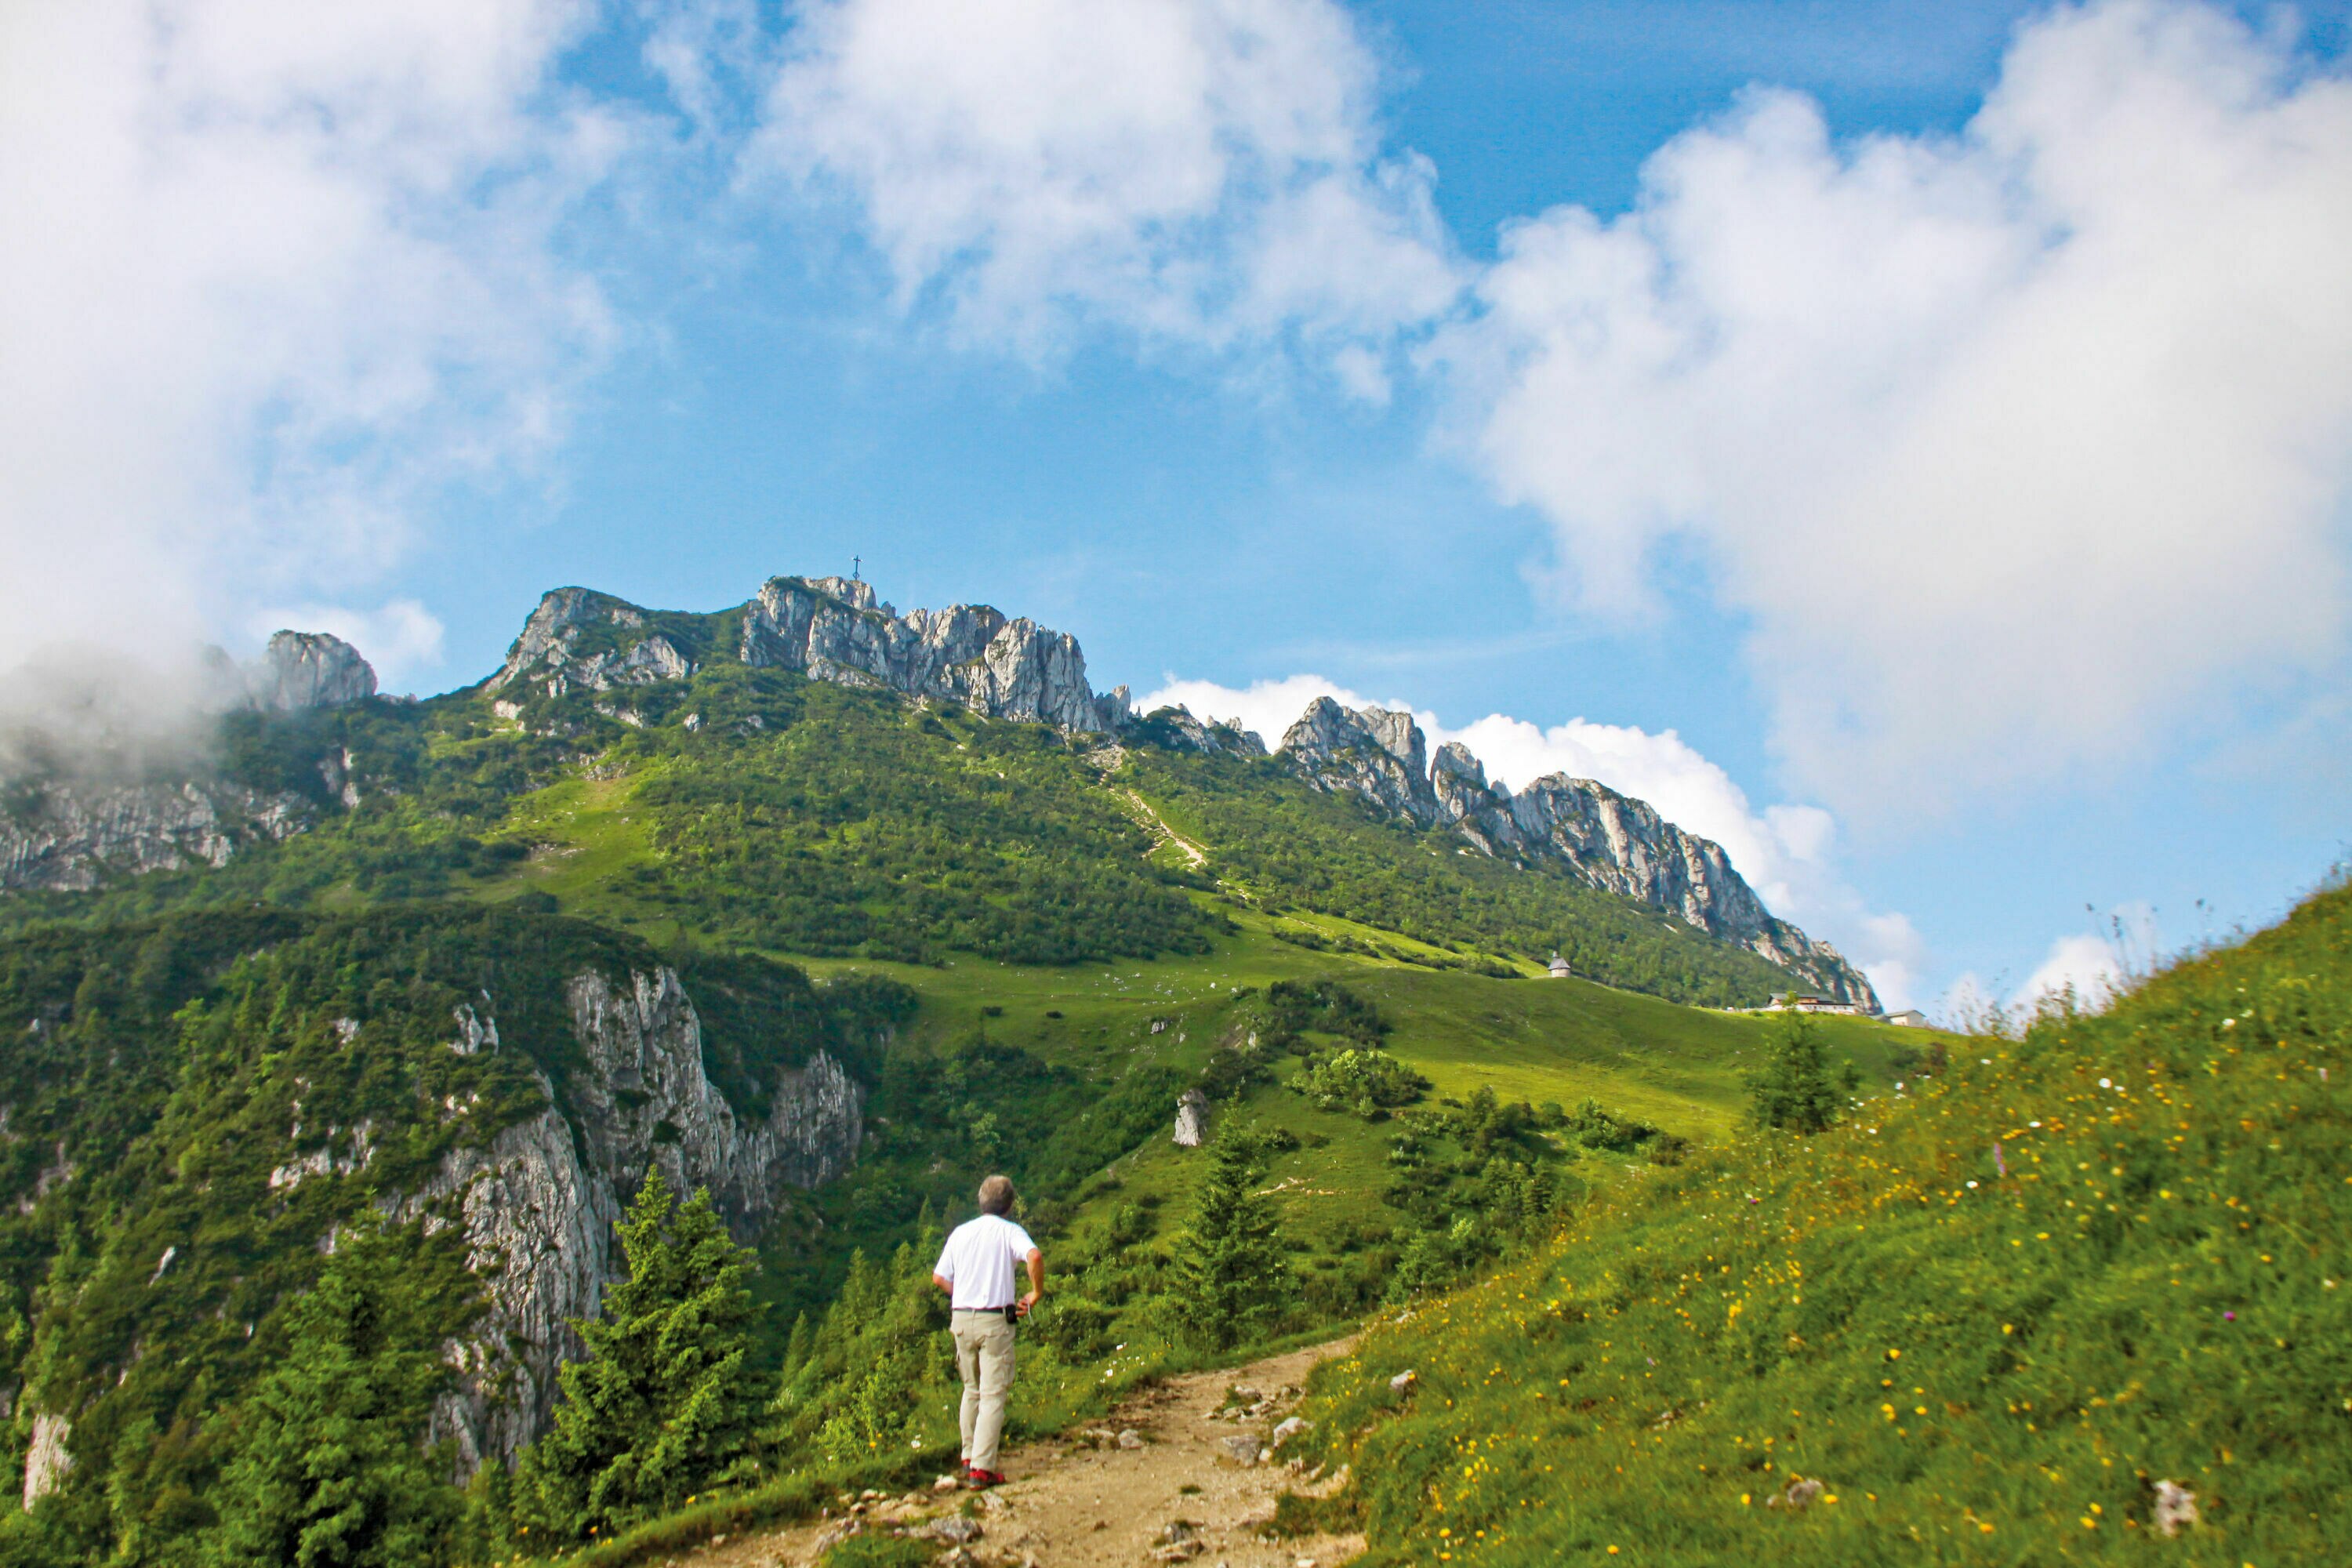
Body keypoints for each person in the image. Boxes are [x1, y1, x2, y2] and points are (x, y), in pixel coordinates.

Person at [931, 1174, 1044, 1486]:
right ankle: (982, 1468)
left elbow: (938, 1278)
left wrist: (964, 1293)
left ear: (981, 1201)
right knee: (994, 1395)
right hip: (995, 1322)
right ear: (1009, 1205)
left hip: (962, 1319)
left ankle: (968, 1458)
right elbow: (1034, 1256)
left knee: (972, 1390)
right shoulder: (1010, 1232)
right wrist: (1035, 1293)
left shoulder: (960, 1233)